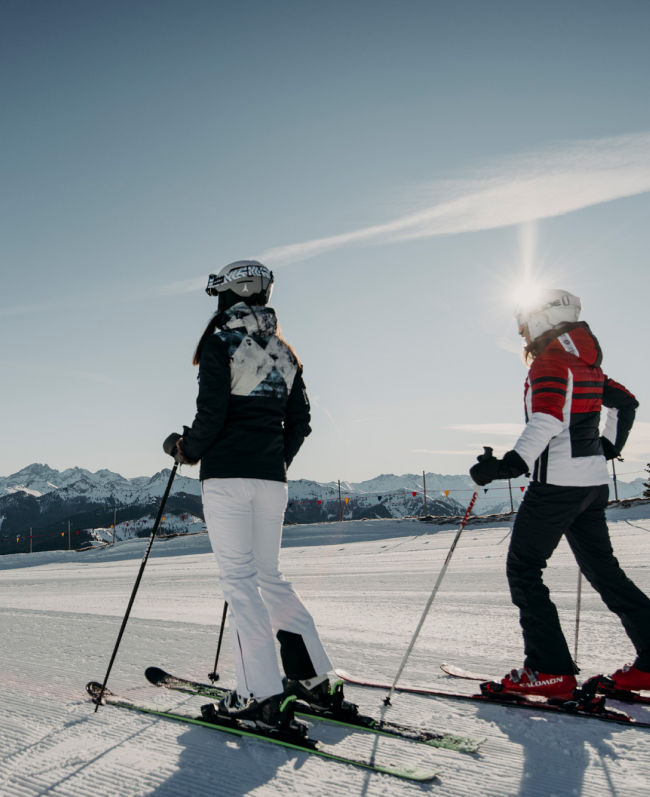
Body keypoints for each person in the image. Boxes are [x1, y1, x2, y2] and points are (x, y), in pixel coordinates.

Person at [164, 260, 342, 730]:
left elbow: (213, 411)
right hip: (271, 479)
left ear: (228, 295)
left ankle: (258, 693)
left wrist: (186, 450)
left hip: (227, 479)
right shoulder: (285, 351)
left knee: (240, 582)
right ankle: (314, 680)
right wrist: (273, 459)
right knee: (270, 577)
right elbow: (300, 422)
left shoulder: (221, 341)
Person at [469, 289, 650, 699]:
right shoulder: (586, 362)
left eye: (522, 325)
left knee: (524, 569)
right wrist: (608, 447)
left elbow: (547, 419)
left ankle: (549, 670)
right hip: (591, 485)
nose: (522, 336)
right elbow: (626, 404)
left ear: (539, 320)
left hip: (557, 487)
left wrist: (509, 465)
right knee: (604, 571)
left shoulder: (551, 360)